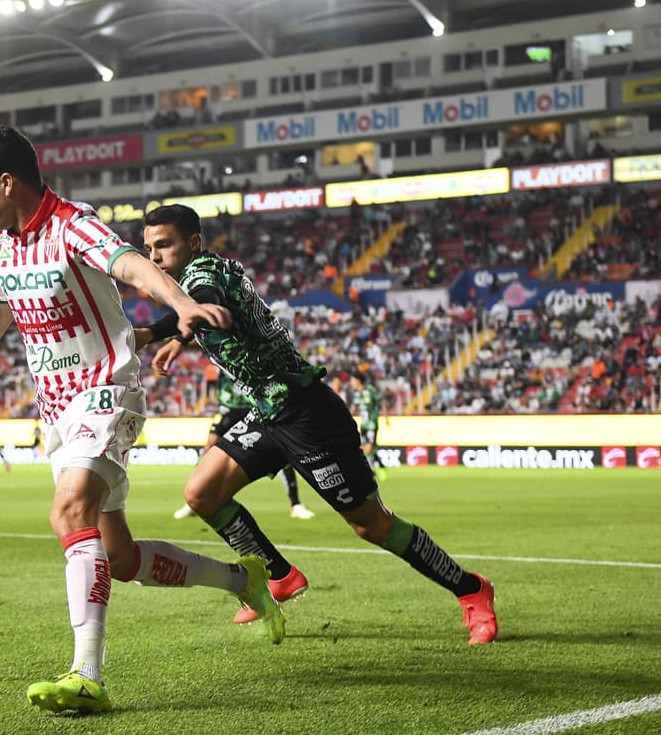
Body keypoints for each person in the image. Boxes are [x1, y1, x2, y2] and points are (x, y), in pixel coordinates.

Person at [0, 126, 284, 716]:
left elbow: (132, 265)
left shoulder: (72, 224)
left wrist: (182, 303)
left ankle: (86, 674)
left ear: (6, 182)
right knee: (120, 558)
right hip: (57, 410)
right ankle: (244, 581)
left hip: (106, 392)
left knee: (69, 512)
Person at [139, 204, 497, 646]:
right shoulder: (201, 280)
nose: (154, 257)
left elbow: (203, 301)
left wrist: (171, 336)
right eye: (148, 249)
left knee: (372, 525)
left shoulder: (202, 275)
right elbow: (197, 308)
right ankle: (279, 576)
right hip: (269, 410)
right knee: (202, 494)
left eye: (163, 245)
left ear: (193, 243)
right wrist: (158, 335)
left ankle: (471, 589)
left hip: (308, 415)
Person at [173, 373, 315, 522]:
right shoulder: (219, 362)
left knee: (282, 448)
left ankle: (295, 504)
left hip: (252, 405)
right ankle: (194, 500)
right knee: (210, 445)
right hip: (228, 407)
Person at [348, 371, 386, 474]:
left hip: (371, 424)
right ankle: (375, 467)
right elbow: (353, 407)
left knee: (368, 447)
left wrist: (386, 416)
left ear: (358, 381)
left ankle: (370, 471)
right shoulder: (356, 394)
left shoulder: (370, 390)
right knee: (364, 447)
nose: (351, 383)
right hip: (363, 425)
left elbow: (381, 401)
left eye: (352, 380)